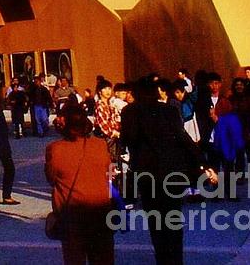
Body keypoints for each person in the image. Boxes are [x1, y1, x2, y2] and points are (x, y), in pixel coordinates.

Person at [121, 75, 217, 264]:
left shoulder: (129, 112)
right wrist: (204, 163)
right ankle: (176, 259)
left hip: (147, 173)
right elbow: (183, 139)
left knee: (155, 221)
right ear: (156, 91)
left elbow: (127, 140)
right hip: (172, 171)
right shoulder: (169, 110)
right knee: (173, 218)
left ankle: (162, 259)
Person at [44, 105, 114, 265]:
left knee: (74, 259)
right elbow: (108, 173)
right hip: (101, 211)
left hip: (72, 215)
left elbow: (51, 178)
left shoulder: (55, 149)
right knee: (103, 258)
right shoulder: (100, 145)